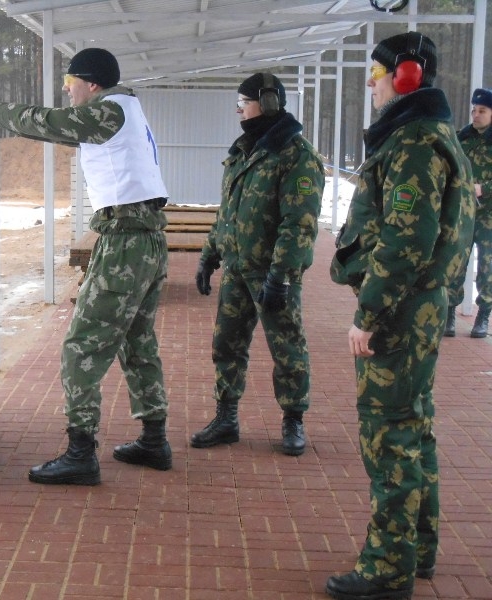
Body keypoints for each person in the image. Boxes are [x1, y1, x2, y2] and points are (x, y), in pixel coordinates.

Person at [0, 48, 171, 485]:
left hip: (125, 244)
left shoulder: (108, 111)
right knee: (137, 342)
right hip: (144, 241)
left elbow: (49, 122)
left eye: (70, 83)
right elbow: (53, 127)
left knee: (81, 348)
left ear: (91, 84)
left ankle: (81, 453)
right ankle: (153, 439)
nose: (67, 91)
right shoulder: (121, 110)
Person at [328, 32, 475, 600]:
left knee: (389, 436)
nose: (370, 83)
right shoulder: (431, 134)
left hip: (399, 309)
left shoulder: (414, 142)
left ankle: (388, 567)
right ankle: (418, 548)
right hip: (418, 305)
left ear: (406, 75)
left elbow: (406, 239)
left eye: (377, 72)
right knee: (415, 428)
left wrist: (368, 314)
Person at [191, 72, 324, 456]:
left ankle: (293, 419)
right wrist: (209, 255)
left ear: (268, 103)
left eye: (244, 103)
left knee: (287, 347)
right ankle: (226, 418)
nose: (239, 111)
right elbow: (228, 212)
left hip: (272, 274)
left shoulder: (296, 155)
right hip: (236, 270)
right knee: (226, 344)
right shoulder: (242, 151)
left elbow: (299, 224)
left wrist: (280, 277)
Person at [445, 87, 492, 338]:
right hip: (463, 212)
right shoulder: (462, 138)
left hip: (489, 216)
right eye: (474, 110)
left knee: (488, 266)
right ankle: (449, 313)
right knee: (455, 262)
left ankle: (483, 315)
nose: (476, 115)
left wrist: (484, 188)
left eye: (482, 111)